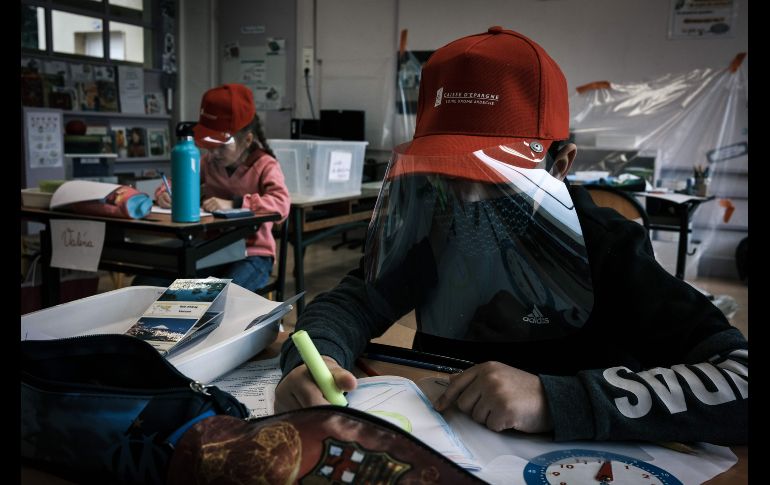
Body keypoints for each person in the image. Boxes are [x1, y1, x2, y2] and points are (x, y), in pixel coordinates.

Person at [276, 27, 747, 445]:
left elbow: (740, 378)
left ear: (560, 164)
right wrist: (314, 361)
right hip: (447, 444)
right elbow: (354, 302)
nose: (471, 199)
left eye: (500, 176)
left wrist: (554, 399)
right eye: (450, 173)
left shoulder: (610, 248)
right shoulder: (437, 231)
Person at [135, 83, 290, 292]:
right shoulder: (208, 162)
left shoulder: (265, 165)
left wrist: (234, 204)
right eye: (209, 144)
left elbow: (281, 205)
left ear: (247, 140)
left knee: (222, 298)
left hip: (251, 254)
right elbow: (175, 181)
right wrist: (165, 193)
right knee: (147, 283)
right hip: (209, 250)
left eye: (221, 145)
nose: (214, 152)